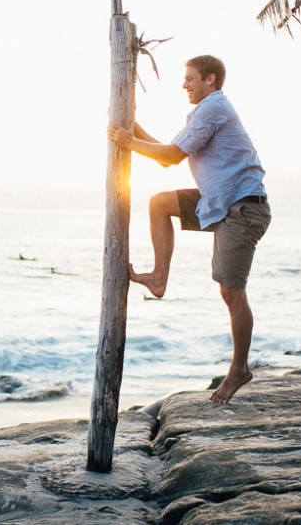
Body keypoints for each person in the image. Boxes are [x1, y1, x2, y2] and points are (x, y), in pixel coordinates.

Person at [107, 55, 270, 405]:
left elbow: (171, 156)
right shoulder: (202, 112)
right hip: (221, 201)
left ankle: (239, 368)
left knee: (231, 291)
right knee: (159, 204)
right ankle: (159, 277)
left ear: (210, 79)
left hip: (243, 208)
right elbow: (168, 154)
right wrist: (133, 130)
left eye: (190, 78)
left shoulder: (214, 109)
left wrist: (128, 139)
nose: (184, 84)